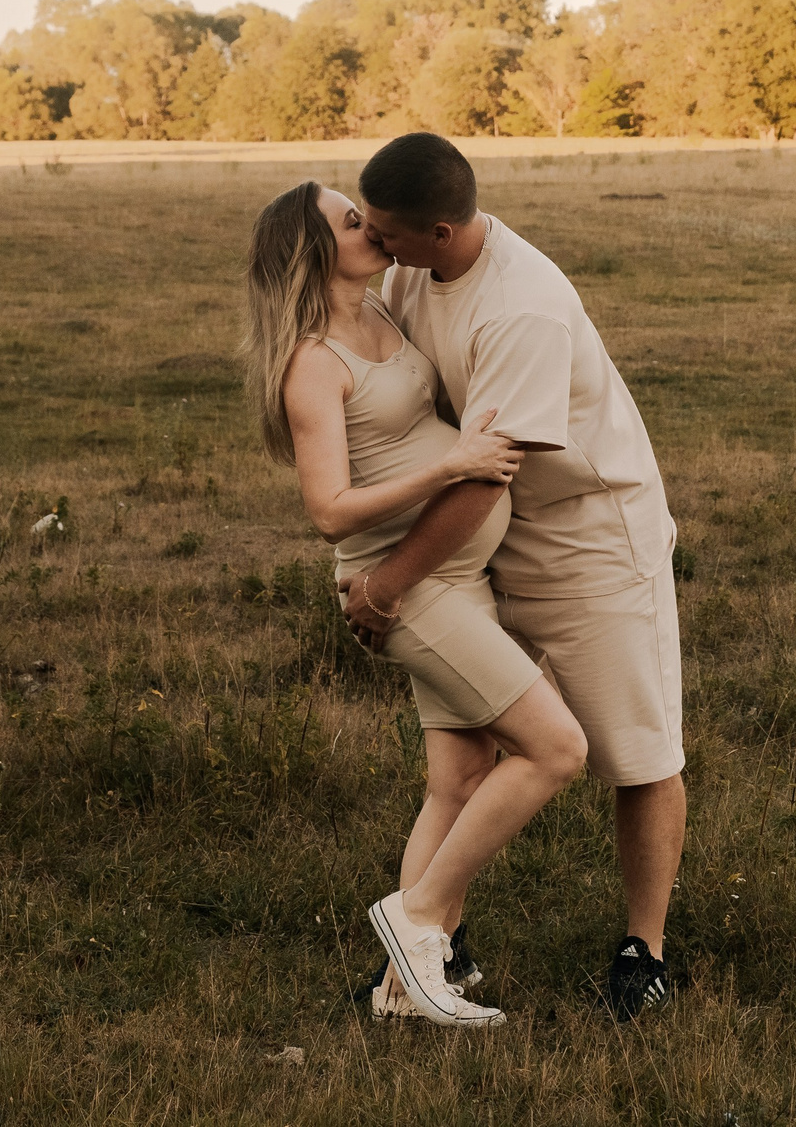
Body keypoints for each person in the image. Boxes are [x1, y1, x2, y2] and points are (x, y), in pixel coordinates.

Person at [346, 132, 686, 1021]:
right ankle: (431, 949)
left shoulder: (521, 307)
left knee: (635, 752)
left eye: (388, 233)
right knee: (467, 754)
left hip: (588, 539)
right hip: (487, 542)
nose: (376, 246)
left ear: (444, 230)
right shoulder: (412, 269)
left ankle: (642, 951)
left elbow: (484, 470)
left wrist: (389, 586)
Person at [245, 180, 590, 1028]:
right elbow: (328, 508)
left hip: (458, 579)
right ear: (314, 252)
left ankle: (401, 992)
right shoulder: (313, 363)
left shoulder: (382, 313)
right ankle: (419, 917)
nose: (372, 226)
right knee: (556, 749)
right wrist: (452, 466)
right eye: (352, 221)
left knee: (459, 777)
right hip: (406, 588)